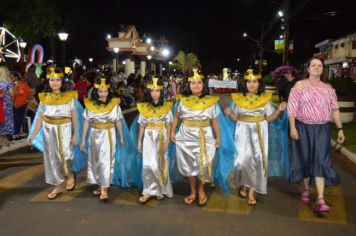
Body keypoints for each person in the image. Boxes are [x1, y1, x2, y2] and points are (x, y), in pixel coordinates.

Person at [288, 57, 345, 212]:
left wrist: (340, 128)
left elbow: (335, 109)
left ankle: (320, 198)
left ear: (323, 69)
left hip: (322, 129)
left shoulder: (328, 88)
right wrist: (293, 128)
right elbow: (292, 110)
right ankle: (306, 188)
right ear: (307, 68)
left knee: (321, 160)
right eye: (313, 65)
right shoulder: (299, 85)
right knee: (305, 159)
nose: (316, 68)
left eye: (320, 65)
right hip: (302, 128)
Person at [224, 69, 287, 206]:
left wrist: (279, 110)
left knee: (257, 161)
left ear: (259, 84)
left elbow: (269, 119)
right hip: (242, 132)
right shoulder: (238, 99)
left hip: (259, 132)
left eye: (255, 82)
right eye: (249, 82)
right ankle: (244, 184)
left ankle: (252, 191)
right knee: (241, 161)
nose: (252, 85)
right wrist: (229, 113)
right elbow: (235, 118)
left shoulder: (264, 99)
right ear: (245, 84)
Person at [170, 68, 221, 207]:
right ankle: (192, 191)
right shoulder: (182, 100)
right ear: (189, 85)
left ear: (203, 85)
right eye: (193, 83)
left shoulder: (210, 101)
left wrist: (218, 137)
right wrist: (172, 132)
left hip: (204, 136)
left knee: (203, 165)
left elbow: (214, 120)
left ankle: (201, 190)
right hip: (186, 136)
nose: (196, 85)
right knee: (189, 166)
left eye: (199, 83)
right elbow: (176, 117)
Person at [27, 67, 79, 200]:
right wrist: (32, 135)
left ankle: (69, 176)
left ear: (62, 81)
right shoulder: (45, 97)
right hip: (49, 130)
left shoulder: (69, 96)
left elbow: (74, 116)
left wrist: (75, 134)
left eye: (57, 80)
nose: (54, 82)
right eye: (51, 80)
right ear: (48, 82)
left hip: (64, 129)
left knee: (65, 156)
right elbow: (40, 117)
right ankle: (58, 185)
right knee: (52, 159)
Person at [80, 77, 125, 202]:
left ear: (108, 91)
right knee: (96, 160)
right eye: (100, 91)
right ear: (96, 92)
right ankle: (100, 185)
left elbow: (118, 122)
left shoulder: (114, 105)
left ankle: (104, 189)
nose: (103, 94)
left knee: (105, 161)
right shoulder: (90, 105)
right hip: (94, 135)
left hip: (108, 134)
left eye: (105, 91)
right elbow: (86, 122)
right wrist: (83, 139)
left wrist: (121, 137)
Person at [133, 76, 174, 204]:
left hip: (161, 137)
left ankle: (161, 189)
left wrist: (167, 141)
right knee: (148, 164)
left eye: (157, 91)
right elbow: (142, 125)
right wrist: (139, 141)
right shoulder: (144, 108)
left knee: (160, 164)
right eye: (152, 91)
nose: (154, 93)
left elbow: (169, 125)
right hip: (148, 138)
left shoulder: (167, 107)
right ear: (149, 93)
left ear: (161, 92)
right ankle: (148, 191)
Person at [10, 71, 32, 140]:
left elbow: (29, 94)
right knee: (15, 120)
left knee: (20, 120)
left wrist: (27, 100)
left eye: (12, 77)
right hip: (15, 105)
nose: (11, 79)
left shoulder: (24, 84)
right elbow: (11, 95)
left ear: (16, 77)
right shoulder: (12, 85)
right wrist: (15, 88)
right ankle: (14, 134)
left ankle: (17, 134)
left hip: (23, 105)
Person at [0, 65, 14, 147]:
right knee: (6, 122)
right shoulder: (8, 83)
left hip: (1, 105)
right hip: (7, 105)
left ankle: (2, 140)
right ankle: (3, 140)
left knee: (1, 122)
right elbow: (12, 93)